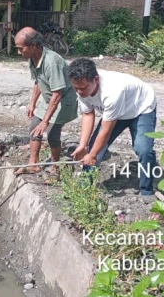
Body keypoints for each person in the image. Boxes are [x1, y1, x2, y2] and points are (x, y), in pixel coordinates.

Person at [68, 58, 158, 197]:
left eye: (83, 88)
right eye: (76, 88)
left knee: (144, 149)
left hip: (141, 108)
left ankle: (146, 191)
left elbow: (106, 130)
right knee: (93, 148)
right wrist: (83, 145)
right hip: (116, 112)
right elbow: (87, 114)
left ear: (96, 79)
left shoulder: (112, 91)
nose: (79, 91)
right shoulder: (82, 88)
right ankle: (85, 187)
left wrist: (92, 155)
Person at [14, 27, 78, 179]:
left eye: (20, 48)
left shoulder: (52, 62)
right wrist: (32, 104)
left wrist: (45, 121)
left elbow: (58, 94)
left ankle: (56, 166)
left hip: (63, 101)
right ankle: (33, 164)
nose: (18, 52)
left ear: (33, 46)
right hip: (49, 99)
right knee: (34, 127)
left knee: (52, 135)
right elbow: (38, 81)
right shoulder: (32, 58)